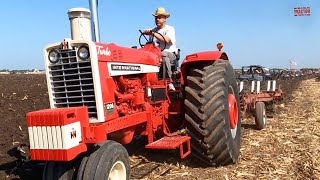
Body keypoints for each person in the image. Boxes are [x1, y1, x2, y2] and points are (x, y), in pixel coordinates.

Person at [143, 7, 178, 91]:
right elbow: (150, 45)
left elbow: (167, 40)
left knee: (163, 54)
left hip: (170, 54)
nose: (157, 19)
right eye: (156, 17)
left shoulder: (169, 29)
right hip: (156, 56)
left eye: (159, 17)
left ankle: (168, 81)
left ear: (165, 19)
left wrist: (153, 33)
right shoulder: (154, 31)